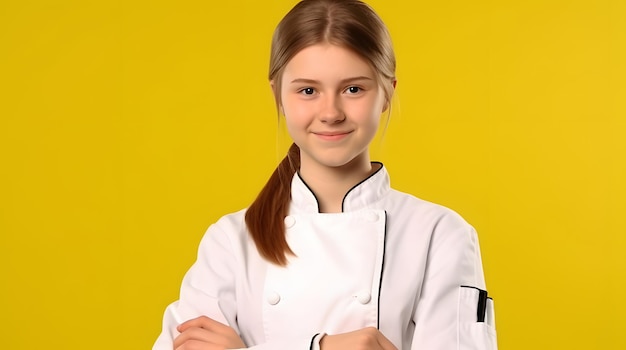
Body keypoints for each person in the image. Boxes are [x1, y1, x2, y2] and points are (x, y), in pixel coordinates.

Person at [154, 0, 497, 349]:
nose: (330, 112)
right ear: (278, 95)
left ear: (386, 94)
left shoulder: (440, 235)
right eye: (308, 91)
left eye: (353, 89)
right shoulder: (230, 242)